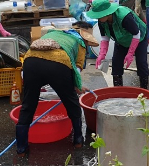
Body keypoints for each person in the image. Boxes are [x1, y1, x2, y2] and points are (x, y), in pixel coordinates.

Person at [16, 22, 99, 155]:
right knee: (72, 102)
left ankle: (21, 147)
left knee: (28, 104)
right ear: (85, 38)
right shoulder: (80, 43)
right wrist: (77, 87)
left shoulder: (55, 33)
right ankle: (78, 140)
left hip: (30, 61)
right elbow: (76, 70)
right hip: (57, 65)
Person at [88, 0, 149, 88]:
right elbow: (105, 37)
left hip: (139, 38)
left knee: (141, 63)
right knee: (116, 63)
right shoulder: (102, 21)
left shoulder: (125, 17)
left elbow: (136, 34)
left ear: (107, 13)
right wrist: (102, 54)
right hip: (121, 40)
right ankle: (118, 90)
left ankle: (144, 89)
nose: (98, 18)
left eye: (99, 15)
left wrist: (130, 53)